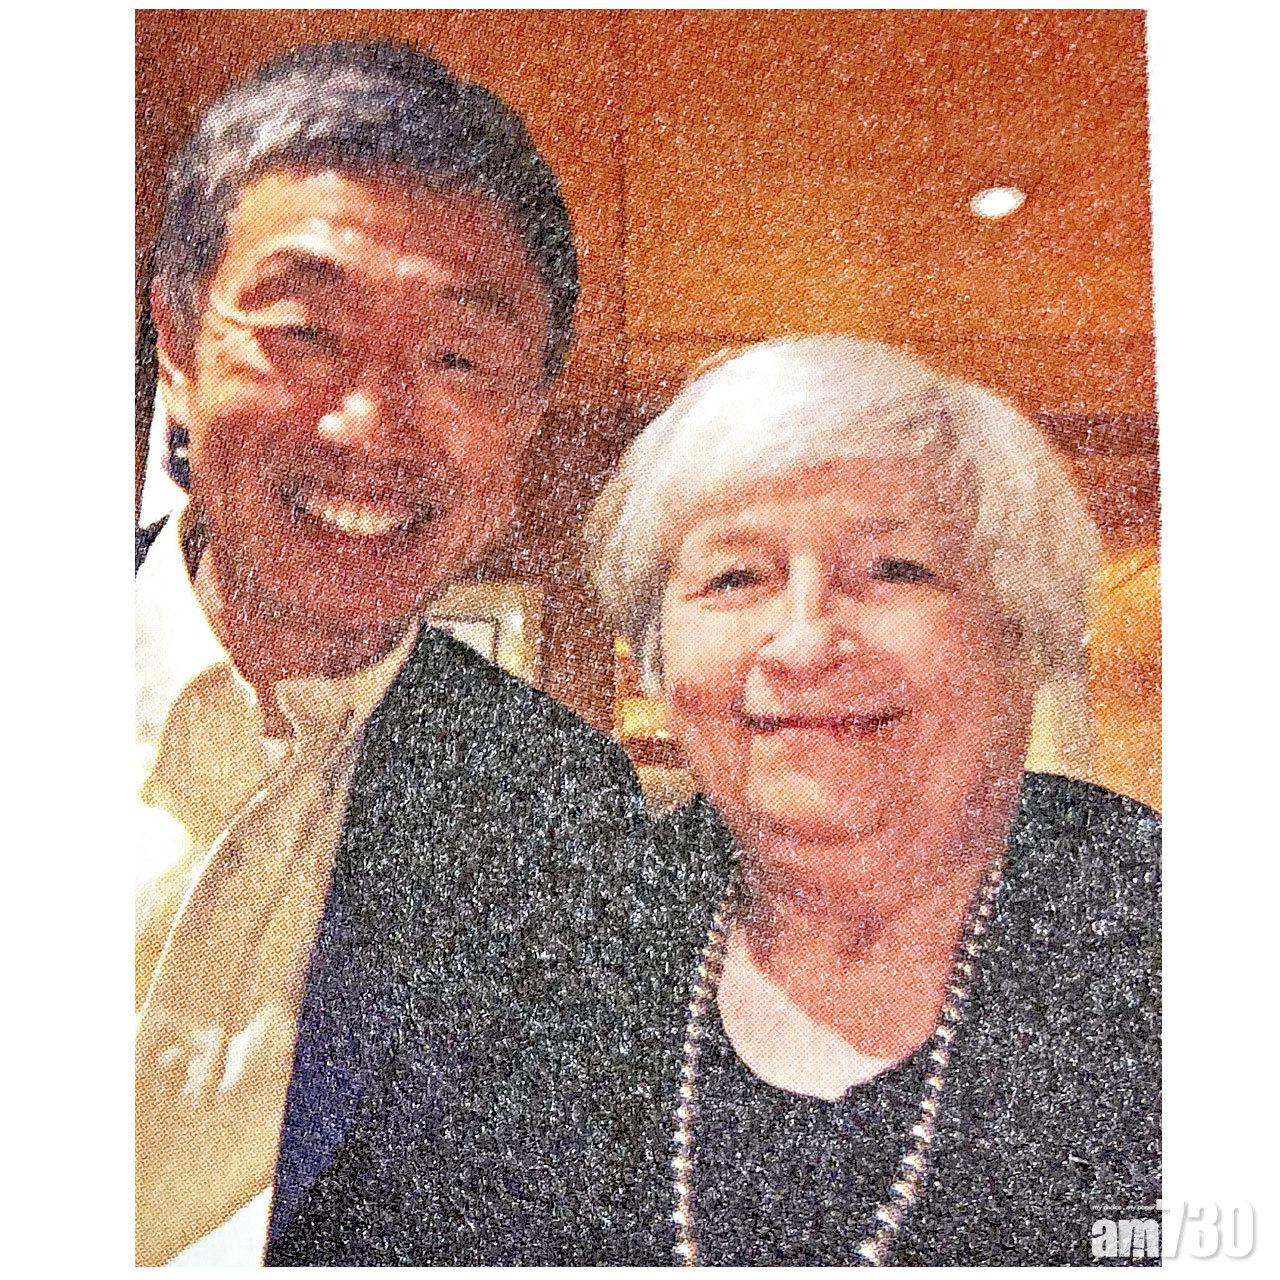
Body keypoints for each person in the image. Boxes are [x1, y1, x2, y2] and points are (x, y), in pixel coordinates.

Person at [136, 39, 658, 1265]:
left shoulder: (554, 807)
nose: (368, 425)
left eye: (458, 359)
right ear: (176, 346)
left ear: (521, 427)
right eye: (304, 330)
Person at [586, 336, 1160, 1266]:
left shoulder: (1177, 936)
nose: (803, 644)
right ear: (657, 654)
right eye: (735, 578)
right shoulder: (568, 949)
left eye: (896, 570)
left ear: (1023, 632)